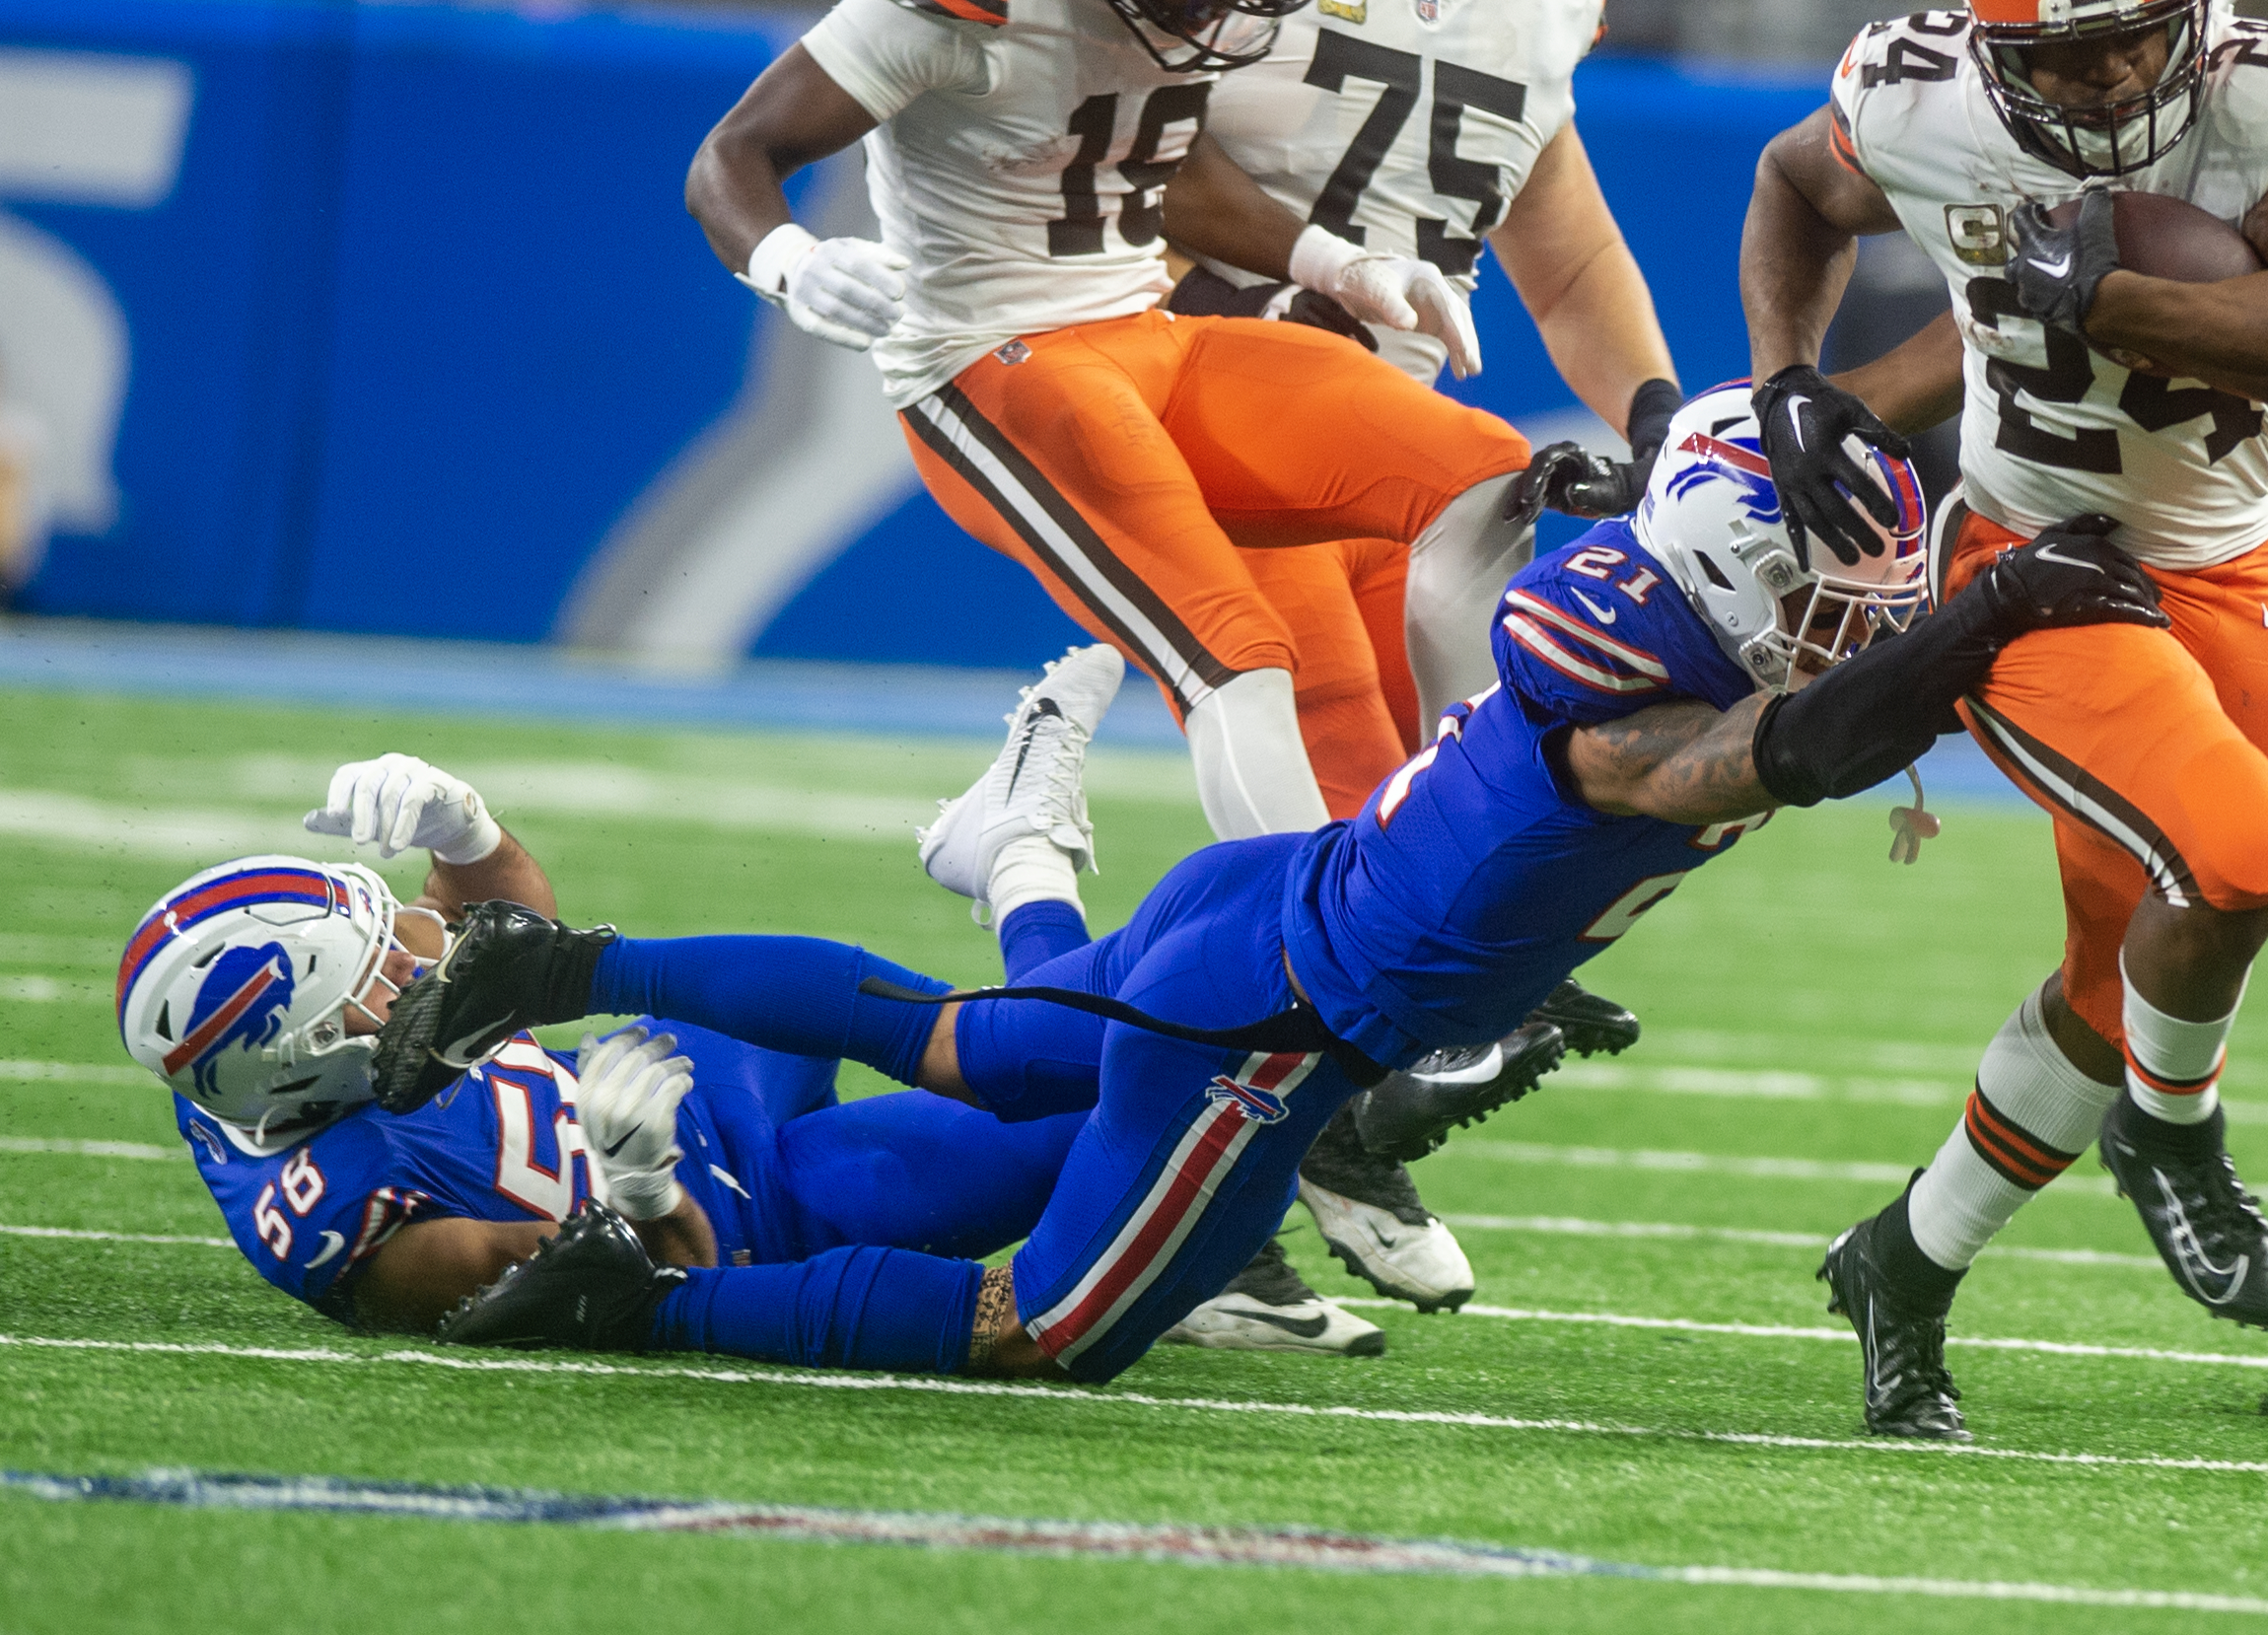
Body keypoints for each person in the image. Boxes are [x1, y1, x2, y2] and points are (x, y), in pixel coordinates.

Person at [376, 388, 2167, 1384]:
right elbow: (1792, 749)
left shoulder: (1636, 615)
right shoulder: (1645, 721)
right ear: (1717, 564)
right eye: (1820, 576)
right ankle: (650, 1302)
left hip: (1260, 898)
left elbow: (1547, 557)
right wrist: (1984, 617)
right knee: (1052, 1329)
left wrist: (1961, 596)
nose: (1856, 604)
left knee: (969, 1041)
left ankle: (563, 957)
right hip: (1269, 1034)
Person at [1738, 0, 2268, 1439]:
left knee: (2123, 974)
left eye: (2133, 36)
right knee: (2237, 863)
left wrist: (2109, 296)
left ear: (2198, 8)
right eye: (2064, 51)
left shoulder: (2265, 96)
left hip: (2229, 571)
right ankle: (2175, 1129)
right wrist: (1782, 371)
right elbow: (1790, 183)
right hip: (2038, 569)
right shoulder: (1915, 104)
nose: (2109, 80)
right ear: (1985, 50)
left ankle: (1900, 1260)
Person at [681, 0, 1530, 858]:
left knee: (1488, 481)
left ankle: (1470, 858)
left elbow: (1157, 154)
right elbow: (732, 155)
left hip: (1149, 331)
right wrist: (789, 262)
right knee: (1232, 649)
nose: (1213, 22)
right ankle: (1319, 957)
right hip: (993, 361)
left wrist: (1345, 264)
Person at [1166, 0, 1690, 1316]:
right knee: (1348, 826)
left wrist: (1661, 421)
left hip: (1389, 456)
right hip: (1202, 399)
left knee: (1467, 803)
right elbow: (1113, 144)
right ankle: (1246, 1167)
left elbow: (1558, 237)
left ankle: (1316, 1123)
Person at [110, 739, 1102, 1350]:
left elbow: (512, 950)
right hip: (754, 1205)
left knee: (978, 1039)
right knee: (1131, 1108)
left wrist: (464, 834)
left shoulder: (253, 1069)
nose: (416, 951)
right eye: (376, 973)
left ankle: (1010, 843)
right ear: (305, 1056)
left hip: (668, 1065)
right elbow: (654, 1288)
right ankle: (1027, 864)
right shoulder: (349, 1222)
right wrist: (641, 1185)